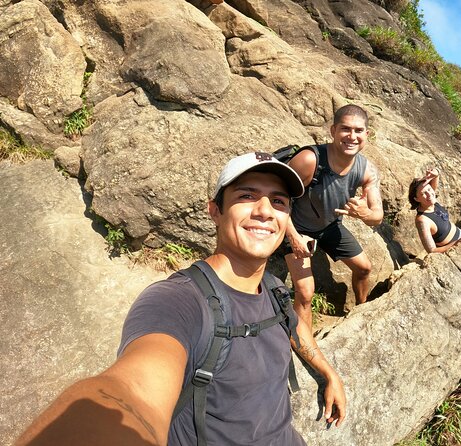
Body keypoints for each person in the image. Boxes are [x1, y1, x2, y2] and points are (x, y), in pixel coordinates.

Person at [16, 152, 346, 446]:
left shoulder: (273, 288)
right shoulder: (178, 300)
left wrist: (329, 374)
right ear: (215, 211)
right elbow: (133, 391)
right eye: (247, 196)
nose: (264, 211)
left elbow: (295, 330)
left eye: (278, 202)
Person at [280, 104, 384, 329]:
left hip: (329, 227)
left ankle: (360, 313)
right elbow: (278, 201)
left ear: (367, 134)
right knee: (306, 293)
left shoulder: (367, 170)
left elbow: (377, 216)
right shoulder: (309, 160)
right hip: (297, 227)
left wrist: (365, 214)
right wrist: (295, 238)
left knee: (364, 268)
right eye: (345, 129)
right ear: (333, 130)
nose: (352, 136)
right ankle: (305, 345)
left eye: (358, 131)